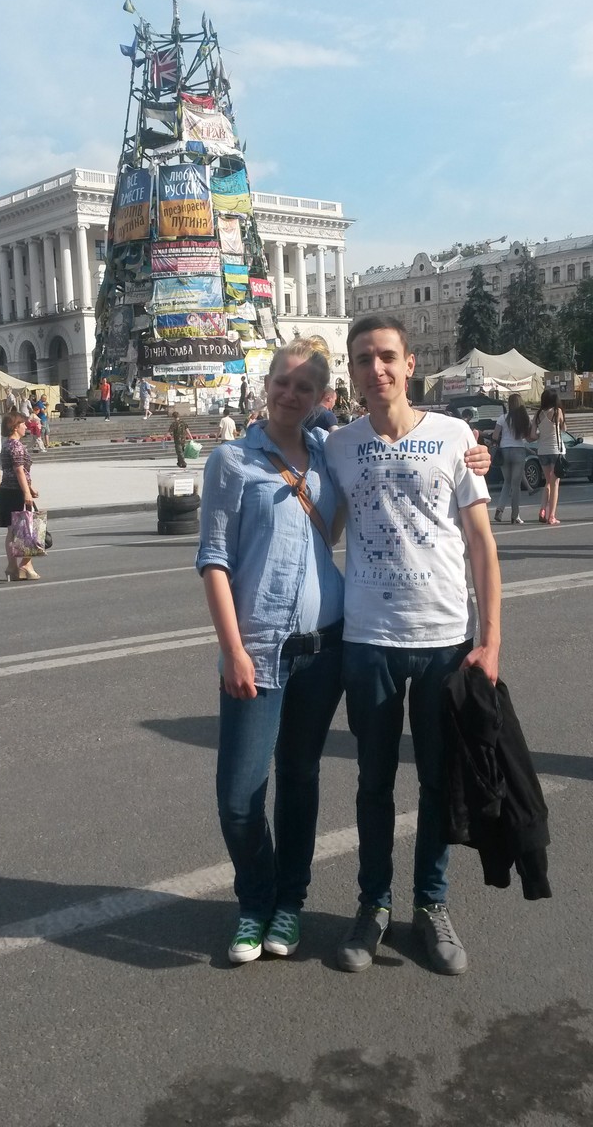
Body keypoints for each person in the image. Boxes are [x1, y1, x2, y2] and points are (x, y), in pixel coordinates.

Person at [325, 314, 498, 977]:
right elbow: (323, 527)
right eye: (365, 358)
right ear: (353, 369)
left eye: (388, 356)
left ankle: (431, 904)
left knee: (436, 782)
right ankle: (372, 905)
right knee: (373, 782)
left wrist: (493, 641)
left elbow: (481, 544)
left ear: (410, 363)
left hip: (444, 641)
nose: (378, 369)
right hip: (368, 639)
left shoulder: (455, 437)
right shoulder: (339, 445)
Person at [197, 339, 345, 963]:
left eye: (304, 387)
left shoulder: (328, 458)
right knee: (239, 794)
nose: (291, 394)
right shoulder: (231, 460)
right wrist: (232, 649)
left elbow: (356, 506)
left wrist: (471, 452)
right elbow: (214, 560)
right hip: (257, 650)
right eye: (282, 382)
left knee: (301, 780)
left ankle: (289, 904)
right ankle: (254, 900)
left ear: (321, 398)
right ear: (267, 385)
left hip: (325, 645)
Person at [0, 411, 41, 581]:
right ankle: (25, 564)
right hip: (16, 492)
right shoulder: (16, 446)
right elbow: (18, 470)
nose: (26, 427)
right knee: (30, 529)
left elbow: (15, 471)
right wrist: (26, 492)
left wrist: (30, 487)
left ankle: (12, 567)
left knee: (12, 531)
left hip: (6, 490)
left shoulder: (6, 444)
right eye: (23, 424)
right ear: (15, 427)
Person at [491, 394, 531, 525]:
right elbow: (529, 437)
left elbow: (495, 436)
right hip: (518, 450)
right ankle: (515, 516)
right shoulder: (524, 418)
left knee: (507, 482)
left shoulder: (502, 418)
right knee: (515, 485)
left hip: (504, 451)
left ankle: (499, 510)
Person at [530, 388, 566, 525]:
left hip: (542, 451)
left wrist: (542, 435)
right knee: (555, 483)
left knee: (547, 481)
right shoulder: (557, 412)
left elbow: (533, 435)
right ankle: (552, 516)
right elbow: (563, 429)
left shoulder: (538, 414)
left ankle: (542, 510)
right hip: (556, 450)